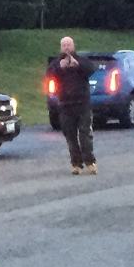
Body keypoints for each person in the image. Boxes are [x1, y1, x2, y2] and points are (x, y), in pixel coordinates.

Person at [46, 35, 98, 175]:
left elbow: (92, 69)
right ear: (61, 47)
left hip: (82, 104)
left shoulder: (81, 61)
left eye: (69, 45)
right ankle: (76, 164)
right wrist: (59, 68)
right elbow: (49, 75)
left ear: (73, 46)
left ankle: (90, 162)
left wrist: (78, 65)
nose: (67, 47)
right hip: (65, 105)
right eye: (64, 45)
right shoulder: (56, 63)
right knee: (70, 136)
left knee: (84, 134)